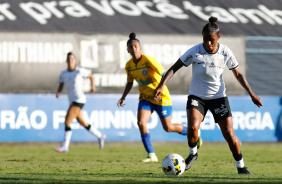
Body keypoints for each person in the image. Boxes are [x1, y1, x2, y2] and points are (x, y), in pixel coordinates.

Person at [154, 17, 263, 174]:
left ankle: (241, 167)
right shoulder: (195, 51)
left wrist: (252, 94)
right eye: (205, 40)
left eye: (211, 40)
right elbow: (174, 68)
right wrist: (161, 85)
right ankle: (193, 154)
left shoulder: (225, 52)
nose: (208, 44)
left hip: (218, 97)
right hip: (197, 97)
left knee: (230, 135)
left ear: (218, 37)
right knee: (192, 127)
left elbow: (238, 74)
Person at [117, 33, 202, 162]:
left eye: (135, 46)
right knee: (141, 123)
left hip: (161, 97)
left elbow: (164, 74)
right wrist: (123, 97)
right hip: (145, 98)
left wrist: (159, 88)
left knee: (168, 128)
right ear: (127, 50)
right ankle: (151, 155)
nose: (133, 49)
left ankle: (194, 133)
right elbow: (130, 82)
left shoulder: (148, 60)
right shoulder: (128, 66)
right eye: (131, 47)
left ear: (140, 48)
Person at [54, 52, 106, 153]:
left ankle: (65, 146)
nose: (71, 60)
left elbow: (91, 76)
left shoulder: (79, 71)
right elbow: (61, 83)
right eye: (69, 59)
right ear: (66, 61)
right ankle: (100, 136)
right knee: (83, 123)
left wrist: (93, 87)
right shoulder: (63, 73)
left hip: (79, 99)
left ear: (75, 61)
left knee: (67, 121)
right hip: (72, 101)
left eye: (72, 58)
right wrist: (58, 92)